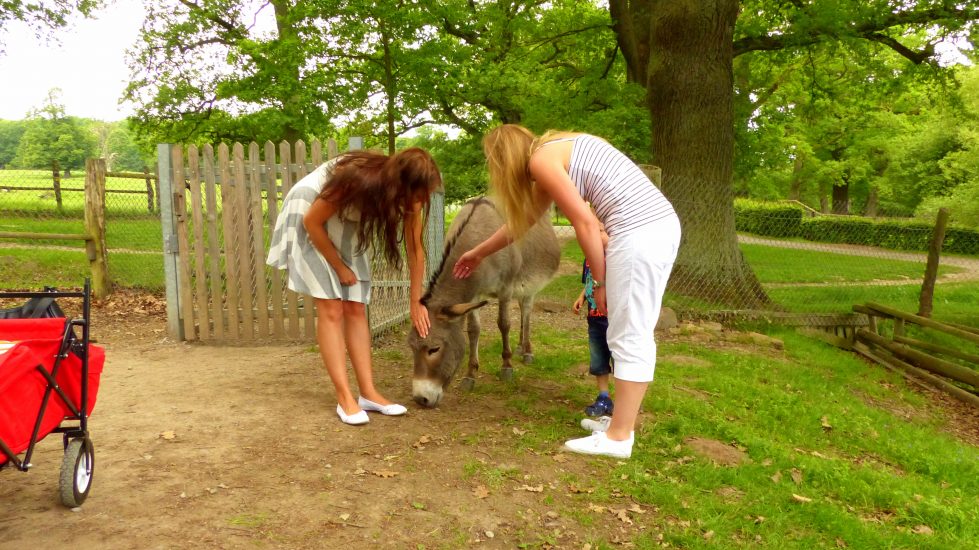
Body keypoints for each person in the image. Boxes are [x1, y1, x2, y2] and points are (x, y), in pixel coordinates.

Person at [453, 125, 680, 458]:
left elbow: (585, 224)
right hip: (651, 228)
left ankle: (618, 438)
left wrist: (597, 284)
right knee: (628, 332)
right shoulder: (554, 154)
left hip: (639, 232)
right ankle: (620, 425)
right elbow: (524, 221)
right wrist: (478, 252)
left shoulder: (543, 161)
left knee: (628, 334)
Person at [267, 147, 441, 426]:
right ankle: (344, 397)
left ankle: (369, 394)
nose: (422, 201)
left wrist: (415, 301)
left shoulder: (411, 200)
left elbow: (415, 250)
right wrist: (338, 266)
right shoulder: (358, 178)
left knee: (356, 306)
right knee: (332, 307)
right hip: (311, 215)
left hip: (343, 220)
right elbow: (312, 222)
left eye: (426, 196)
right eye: (419, 195)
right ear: (400, 185)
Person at [572, 224, 614, 419]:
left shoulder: (616, 258)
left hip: (613, 319)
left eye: (600, 231)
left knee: (620, 358)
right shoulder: (589, 258)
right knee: (598, 358)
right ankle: (603, 397)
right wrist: (581, 297)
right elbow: (590, 281)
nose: (595, 236)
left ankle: (625, 401)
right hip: (594, 318)